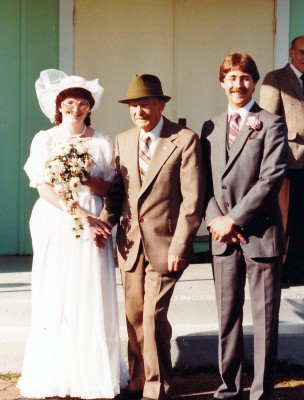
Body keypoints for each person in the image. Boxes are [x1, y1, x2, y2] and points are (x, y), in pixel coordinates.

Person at [93, 74, 204, 400]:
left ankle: (157, 389)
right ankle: (140, 380)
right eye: (133, 105)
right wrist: (103, 223)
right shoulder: (124, 140)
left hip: (166, 244)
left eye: (145, 104)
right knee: (134, 316)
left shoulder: (184, 139)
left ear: (161, 104)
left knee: (153, 316)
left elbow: (192, 200)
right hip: (130, 244)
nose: (138, 111)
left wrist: (181, 245)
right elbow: (117, 194)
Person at [18, 69, 124, 398]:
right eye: (68, 103)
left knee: (91, 289)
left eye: (81, 103)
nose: (75, 109)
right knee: (57, 291)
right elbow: (43, 187)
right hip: (57, 217)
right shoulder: (45, 139)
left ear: (89, 107)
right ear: (58, 105)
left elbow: (109, 186)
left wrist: (86, 175)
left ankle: (90, 377)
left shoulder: (103, 139)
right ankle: (54, 375)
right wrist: (78, 213)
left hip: (95, 215)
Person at [201, 52, 287, 400]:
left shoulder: (271, 123)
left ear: (254, 82)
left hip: (260, 235)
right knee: (228, 317)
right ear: (222, 82)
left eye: (245, 78)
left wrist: (233, 219)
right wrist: (215, 222)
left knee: (264, 319)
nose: (238, 84)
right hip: (222, 238)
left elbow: (271, 180)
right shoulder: (210, 127)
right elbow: (204, 184)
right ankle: (229, 388)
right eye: (231, 78)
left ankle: (262, 392)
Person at [260, 35, 304, 285]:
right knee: (284, 219)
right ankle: (279, 273)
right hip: (287, 160)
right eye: (302, 52)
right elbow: (267, 121)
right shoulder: (275, 78)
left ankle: (297, 271)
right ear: (291, 53)